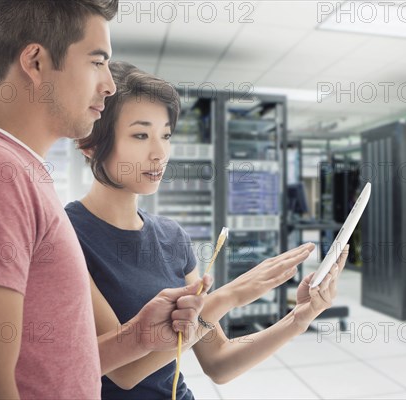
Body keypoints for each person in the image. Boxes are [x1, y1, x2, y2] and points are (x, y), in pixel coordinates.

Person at [0, 2, 209, 398]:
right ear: (35, 62)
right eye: (96, 62)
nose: (108, 84)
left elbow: (48, 363)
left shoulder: (22, 172)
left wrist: (137, 338)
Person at [65, 61, 349, 399]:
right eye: (141, 135)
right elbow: (124, 373)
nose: (159, 153)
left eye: (166, 135)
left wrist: (300, 318)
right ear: (91, 143)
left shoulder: (172, 237)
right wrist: (230, 296)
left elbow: (218, 361)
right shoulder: (66, 235)